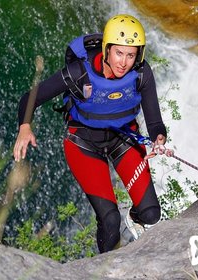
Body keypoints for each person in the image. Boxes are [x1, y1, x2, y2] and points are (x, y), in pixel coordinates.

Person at [13, 14, 168, 253]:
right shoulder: (79, 73)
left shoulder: (141, 74)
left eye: (131, 55)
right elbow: (30, 98)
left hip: (124, 140)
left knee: (151, 214)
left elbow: (154, 121)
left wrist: (159, 137)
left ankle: (134, 217)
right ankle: (105, 269)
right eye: (118, 53)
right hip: (83, 144)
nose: (124, 62)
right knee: (110, 221)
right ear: (106, 50)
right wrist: (25, 127)